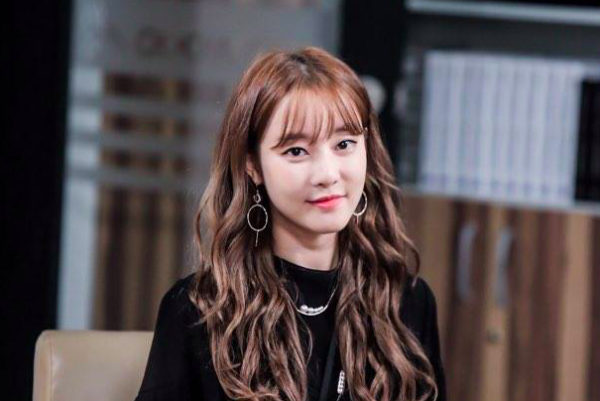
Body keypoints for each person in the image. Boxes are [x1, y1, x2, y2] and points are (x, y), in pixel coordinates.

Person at [134, 46, 446, 401]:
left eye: (344, 144)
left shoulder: (407, 303)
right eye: (296, 151)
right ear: (253, 165)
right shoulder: (198, 309)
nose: (327, 174)